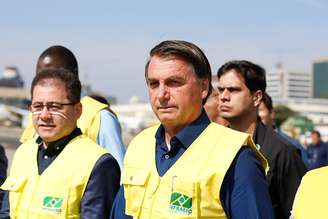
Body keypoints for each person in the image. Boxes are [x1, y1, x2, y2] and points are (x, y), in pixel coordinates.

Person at [111, 40, 274, 218]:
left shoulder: (236, 157)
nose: (161, 95)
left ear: (203, 87)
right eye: (154, 84)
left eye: (174, 82)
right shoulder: (139, 145)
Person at [0, 69, 120, 218]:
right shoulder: (23, 152)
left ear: (77, 110)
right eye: (37, 107)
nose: (44, 115)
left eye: (54, 107)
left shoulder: (98, 163)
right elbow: (6, 212)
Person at [217, 60, 307, 219]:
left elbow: (299, 211)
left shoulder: (282, 151)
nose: (223, 97)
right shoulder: (213, 145)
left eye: (233, 90)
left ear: (257, 97)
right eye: (221, 90)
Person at [19, 45, 125, 170]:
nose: (45, 80)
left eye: (54, 74)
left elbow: (118, 173)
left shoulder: (99, 117)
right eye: (40, 75)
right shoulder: (38, 115)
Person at [259, 92, 308, 168]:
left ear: (272, 113)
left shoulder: (292, 146)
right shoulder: (246, 144)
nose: (255, 115)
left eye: (259, 110)